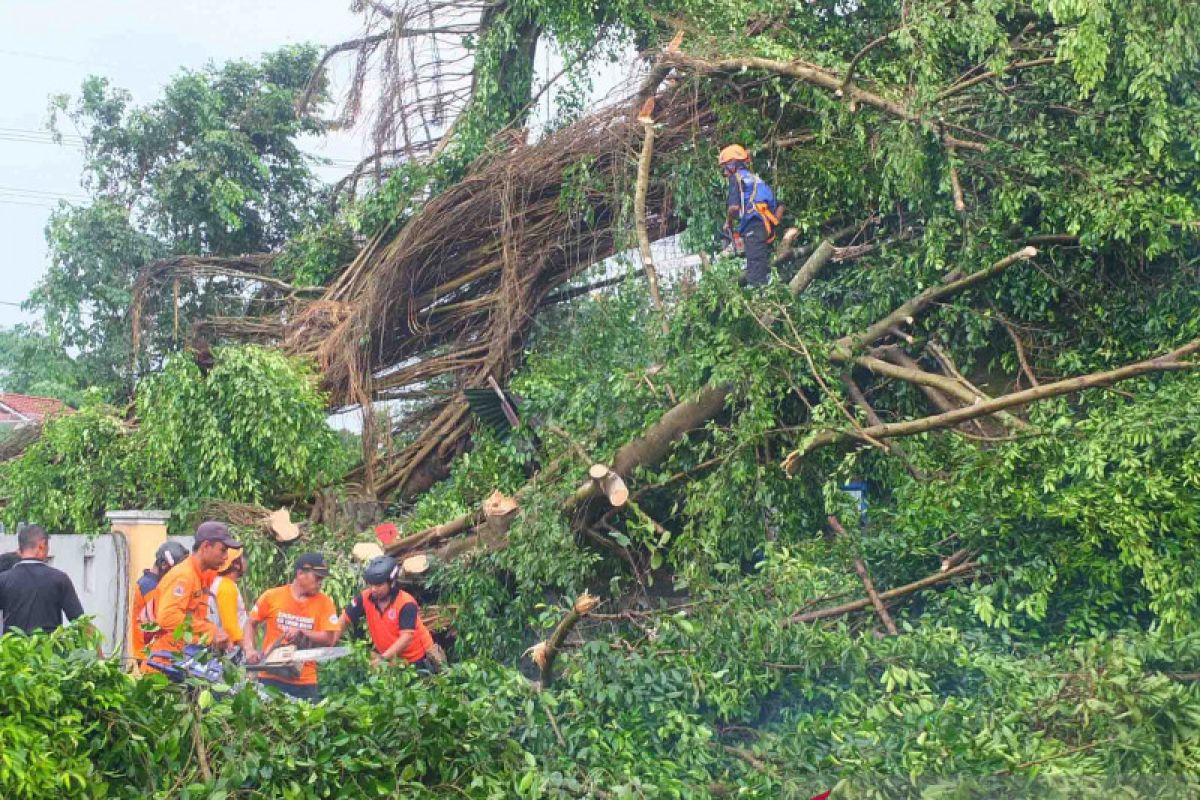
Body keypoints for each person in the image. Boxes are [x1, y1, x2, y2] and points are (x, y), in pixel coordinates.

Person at [243, 552, 339, 702]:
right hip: (270, 676)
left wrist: (303, 632)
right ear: (300, 573)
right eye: (317, 577)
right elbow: (251, 623)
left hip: (304, 680)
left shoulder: (325, 603)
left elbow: (329, 639)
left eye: (322, 579)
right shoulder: (272, 596)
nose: (320, 583)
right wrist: (249, 649)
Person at [149, 521, 240, 665]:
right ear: (205, 547)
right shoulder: (184, 576)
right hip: (165, 664)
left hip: (183, 661)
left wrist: (215, 635)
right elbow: (168, 616)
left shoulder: (201, 576)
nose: (226, 557)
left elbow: (194, 618)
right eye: (222, 550)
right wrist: (210, 631)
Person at [338, 556, 437, 672]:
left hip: (415, 660)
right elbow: (344, 619)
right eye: (371, 585)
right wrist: (331, 638)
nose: (373, 589)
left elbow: (406, 638)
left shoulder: (405, 603)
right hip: (389, 658)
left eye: (379, 585)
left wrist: (382, 659)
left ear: (391, 583)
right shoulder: (365, 598)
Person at [0, 525, 84, 634]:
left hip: (13, 648)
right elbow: (81, 622)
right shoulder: (60, 579)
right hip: (49, 648)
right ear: (41, 545)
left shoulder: (4, 580)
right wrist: (97, 650)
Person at [720, 144, 782, 287]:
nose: (725, 172)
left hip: (754, 227)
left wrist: (728, 222)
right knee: (760, 266)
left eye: (725, 167)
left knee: (755, 275)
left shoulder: (736, 178)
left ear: (732, 164)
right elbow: (779, 205)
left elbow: (734, 208)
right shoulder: (756, 179)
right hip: (766, 226)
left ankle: (763, 304)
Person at [130, 540, 190, 663]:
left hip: (155, 653)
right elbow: (163, 620)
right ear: (163, 564)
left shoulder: (154, 584)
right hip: (150, 655)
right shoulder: (149, 587)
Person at [206, 546, 247, 645]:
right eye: (242, 558)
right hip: (230, 649)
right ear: (236, 565)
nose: (245, 561)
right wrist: (247, 649)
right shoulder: (226, 588)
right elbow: (230, 628)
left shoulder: (223, 583)